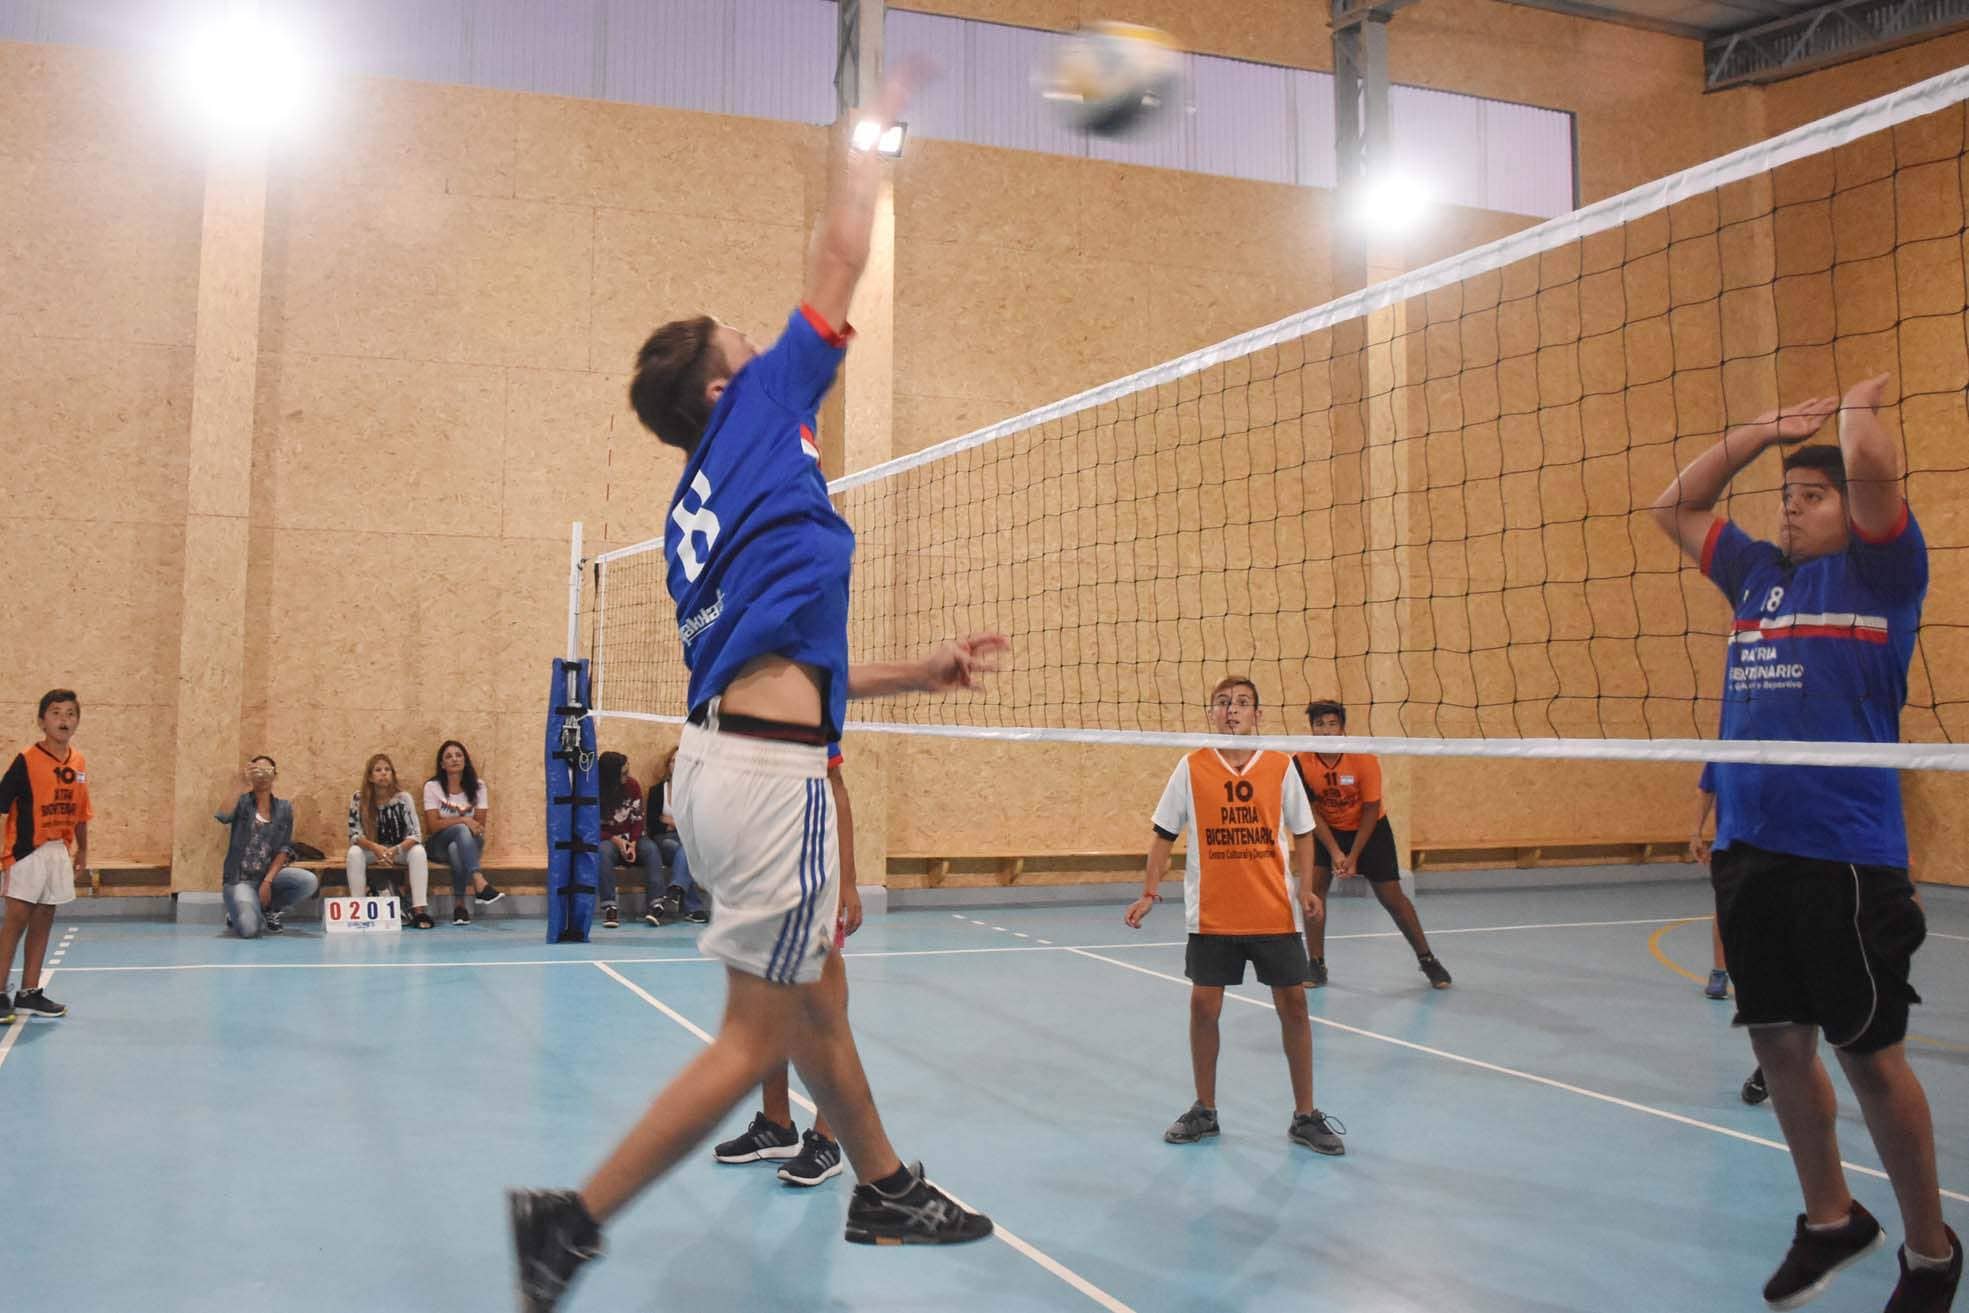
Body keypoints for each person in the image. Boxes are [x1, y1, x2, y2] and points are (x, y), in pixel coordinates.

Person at [508, 61, 1004, 1312]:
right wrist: (865, 139)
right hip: (774, 786)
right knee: (757, 1034)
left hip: (723, 769)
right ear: (726, 385)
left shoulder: (700, 506)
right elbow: (841, 255)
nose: (760, 332)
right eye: (742, 336)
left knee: (816, 1000)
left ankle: (884, 1185)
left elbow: (780, 670)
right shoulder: (766, 403)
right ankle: (571, 1219)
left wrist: (920, 670)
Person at [1649, 374, 1958, 1311]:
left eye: (1811, 495)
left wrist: (1855, 408)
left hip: (1844, 854)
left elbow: (1871, 468)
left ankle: (1930, 1251)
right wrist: (1760, 432)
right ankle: (1831, 1218)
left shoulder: (1881, 573)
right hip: (1750, 847)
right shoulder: (1754, 575)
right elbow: (1674, 506)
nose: (1790, 507)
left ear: (1851, 511)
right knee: (1779, 1043)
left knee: (1868, 1056)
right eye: (1785, 495)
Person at [1124, 676, 1343, 1156]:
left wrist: (1306, 888)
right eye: (1223, 702)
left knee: (1294, 1007)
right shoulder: (1191, 766)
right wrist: (1149, 891)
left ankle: (1305, 1115)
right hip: (1213, 915)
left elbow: (1303, 831)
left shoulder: (1280, 766)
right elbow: (1164, 834)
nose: (1232, 710)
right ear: (1212, 713)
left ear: (1257, 715)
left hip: (1273, 912)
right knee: (1204, 1008)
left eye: (1242, 703)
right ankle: (1205, 1110)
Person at [712, 742, 858, 1186]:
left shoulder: (807, 717)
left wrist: (848, 882)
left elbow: (837, 790)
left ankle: (827, 1139)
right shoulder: (730, 723)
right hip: (761, 878)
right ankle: (777, 1126)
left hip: (812, 878)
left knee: (823, 1007)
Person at [1294, 700, 1449, 990]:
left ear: (1343, 728)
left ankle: (1427, 959)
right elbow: (1311, 811)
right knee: (1313, 892)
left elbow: (1370, 808)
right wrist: (1335, 852)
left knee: (1393, 898)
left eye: (1332, 724)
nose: (1325, 731)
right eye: (1319, 725)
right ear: (1311, 729)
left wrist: (1353, 856)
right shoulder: (1300, 761)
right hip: (1327, 829)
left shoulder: (1363, 758)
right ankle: (1315, 963)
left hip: (1370, 829)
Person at [0, 689, 89, 1023]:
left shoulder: (78, 762)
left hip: (58, 851)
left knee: (43, 919)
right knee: (16, 921)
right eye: (55, 713)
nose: (63, 719)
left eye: (70, 713)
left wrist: (83, 850)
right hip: (27, 852)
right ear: (41, 721)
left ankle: (29, 993)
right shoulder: (26, 759)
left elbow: (81, 810)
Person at [1692, 763, 1768, 1105]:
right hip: (1735, 851)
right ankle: (1720, 973)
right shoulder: (1725, 751)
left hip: (1785, 853)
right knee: (1729, 918)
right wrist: (1696, 831)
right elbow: (1706, 787)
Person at [216, 756, 317, 938]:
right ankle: (239, 911)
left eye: (267, 771)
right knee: (249, 929)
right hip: (240, 879)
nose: (262, 776)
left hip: (267, 876)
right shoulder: (242, 802)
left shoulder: (284, 808)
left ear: (275, 775)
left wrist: (268, 881)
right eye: (257, 771)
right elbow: (223, 815)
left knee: (308, 881)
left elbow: (284, 848)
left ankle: (268, 908)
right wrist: (240, 783)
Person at [423, 739, 504, 925]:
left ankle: (460, 907)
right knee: (460, 830)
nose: (454, 759)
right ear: (442, 764)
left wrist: (463, 823)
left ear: (465, 761)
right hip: (438, 845)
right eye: (449, 756)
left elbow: (479, 827)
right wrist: (464, 819)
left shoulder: (479, 786)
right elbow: (432, 826)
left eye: (459, 755)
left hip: (470, 844)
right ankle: (478, 881)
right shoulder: (432, 787)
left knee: (456, 848)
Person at [348, 753, 433, 929]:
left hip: (398, 850)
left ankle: (419, 910)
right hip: (373, 850)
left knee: (418, 852)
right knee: (354, 853)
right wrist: (375, 847)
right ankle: (359, 907)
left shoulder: (403, 798)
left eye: (387, 770)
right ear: (370, 777)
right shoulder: (359, 798)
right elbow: (354, 835)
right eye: (378, 770)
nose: (383, 773)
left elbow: (416, 835)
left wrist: (394, 850)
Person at [643, 747, 706, 927]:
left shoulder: (694, 792)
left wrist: (670, 820)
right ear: (668, 765)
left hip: (687, 840)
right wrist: (678, 823)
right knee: (681, 851)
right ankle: (691, 906)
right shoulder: (657, 791)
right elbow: (653, 824)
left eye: (681, 762)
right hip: (664, 839)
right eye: (673, 761)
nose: (676, 765)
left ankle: (675, 891)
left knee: (685, 851)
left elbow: (698, 823)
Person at [597, 751, 659, 930]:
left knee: (651, 849)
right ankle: (610, 906)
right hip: (608, 839)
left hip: (632, 838)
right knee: (602, 852)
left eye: (628, 771)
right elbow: (591, 827)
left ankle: (656, 904)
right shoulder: (594, 791)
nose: (628, 776)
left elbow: (638, 819)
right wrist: (615, 841)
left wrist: (633, 843)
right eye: (623, 773)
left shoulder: (632, 786)